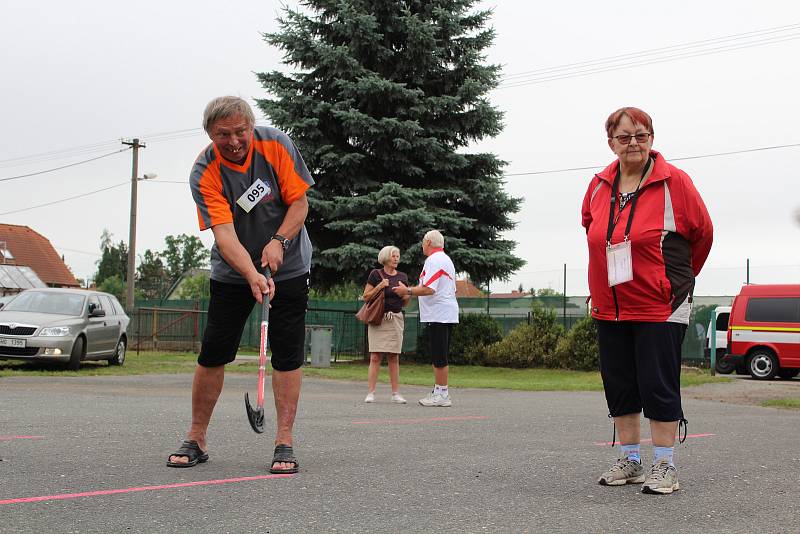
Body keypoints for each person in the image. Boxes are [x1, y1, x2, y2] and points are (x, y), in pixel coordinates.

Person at [167, 96, 314, 474]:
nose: (233, 141)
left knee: (287, 352)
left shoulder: (276, 144)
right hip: (234, 271)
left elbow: (299, 204)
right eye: (223, 135)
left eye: (240, 132)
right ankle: (196, 438)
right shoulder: (205, 171)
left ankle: (284, 441)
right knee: (214, 350)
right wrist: (251, 273)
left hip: (290, 263)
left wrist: (278, 243)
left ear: (252, 126)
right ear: (211, 135)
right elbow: (224, 232)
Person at [581, 107, 713, 494]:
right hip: (611, 305)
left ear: (652, 138)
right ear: (611, 143)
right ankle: (631, 460)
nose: (633, 143)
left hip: (660, 304)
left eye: (640, 135)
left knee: (658, 384)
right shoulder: (597, 185)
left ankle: (664, 465)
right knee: (620, 385)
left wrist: (674, 283)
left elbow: (702, 236)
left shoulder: (676, 183)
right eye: (624, 137)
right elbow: (593, 234)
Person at [394, 230, 458, 407]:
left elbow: (429, 288)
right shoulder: (444, 259)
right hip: (443, 312)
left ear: (429, 242)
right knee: (439, 353)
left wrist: (407, 291)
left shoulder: (434, 260)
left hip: (440, 314)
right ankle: (439, 390)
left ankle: (442, 394)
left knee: (439, 355)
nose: (422, 245)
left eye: (423, 242)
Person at [362, 246, 410, 404]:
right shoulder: (376, 274)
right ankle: (371, 392)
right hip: (378, 319)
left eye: (398, 256)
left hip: (395, 319)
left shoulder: (403, 276)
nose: (397, 258)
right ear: (385, 258)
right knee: (375, 356)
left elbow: (406, 302)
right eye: (394, 256)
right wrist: (380, 286)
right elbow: (366, 297)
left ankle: (395, 393)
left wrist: (405, 293)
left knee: (393, 356)